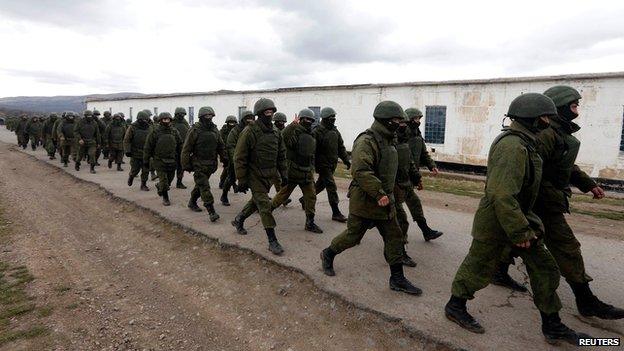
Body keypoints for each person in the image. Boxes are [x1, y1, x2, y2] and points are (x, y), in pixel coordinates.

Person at [444, 93, 592, 345]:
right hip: (497, 223)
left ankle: (553, 325)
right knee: (477, 268)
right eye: (545, 117)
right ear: (532, 118)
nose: (549, 121)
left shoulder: (527, 143)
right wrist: (520, 231)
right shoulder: (513, 146)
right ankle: (455, 306)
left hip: (519, 220)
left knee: (544, 268)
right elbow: (501, 195)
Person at [494, 85, 624, 320]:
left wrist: (588, 184)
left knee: (520, 240)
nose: (577, 108)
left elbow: (564, 166)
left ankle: (498, 270)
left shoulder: (558, 133)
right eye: (573, 104)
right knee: (567, 248)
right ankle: (586, 301)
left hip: (545, 201)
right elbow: (531, 170)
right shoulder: (545, 134)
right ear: (560, 107)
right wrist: (540, 202)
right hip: (542, 203)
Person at [320, 101, 422, 296]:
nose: (400, 124)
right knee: (353, 236)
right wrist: (379, 192)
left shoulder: (390, 139)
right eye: (396, 120)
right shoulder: (367, 141)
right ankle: (328, 253)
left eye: (401, 120)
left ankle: (397, 278)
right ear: (384, 120)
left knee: (394, 236)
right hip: (367, 200)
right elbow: (361, 170)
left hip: (385, 200)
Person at [231, 98, 288, 255]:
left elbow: (281, 155)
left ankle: (239, 219)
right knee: (264, 205)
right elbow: (239, 157)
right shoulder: (249, 131)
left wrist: (284, 174)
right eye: (266, 111)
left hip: (269, 175)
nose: (269, 114)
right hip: (254, 175)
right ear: (258, 113)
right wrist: (241, 180)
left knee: (256, 202)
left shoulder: (276, 133)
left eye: (271, 111)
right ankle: (272, 240)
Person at [270, 108, 323, 233]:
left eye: (310, 119)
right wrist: (293, 125)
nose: (308, 121)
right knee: (283, 195)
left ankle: (310, 223)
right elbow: (284, 137)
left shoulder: (312, 134)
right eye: (306, 119)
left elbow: (311, 153)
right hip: (293, 172)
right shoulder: (294, 132)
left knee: (311, 197)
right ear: (300, 119)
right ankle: (267, 212)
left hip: (306, 173)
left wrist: (312, 168)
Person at [304, 107, 350, 222]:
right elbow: (311, 150)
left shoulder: (335, 131)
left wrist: (346, 160)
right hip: (322, 165)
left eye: (334, 118)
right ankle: (336, 212)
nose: (333, 120)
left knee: (321, 185)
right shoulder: (317, 132)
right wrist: (311, 165)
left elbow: (341, 147)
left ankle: (304, 200)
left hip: (332, 164)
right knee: (331, 187)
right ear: (324, 119)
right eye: (331, 118)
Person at [181, 106, 227, 221]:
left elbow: (220, 145)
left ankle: (192, 202)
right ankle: (211, 210)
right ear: (201, 117)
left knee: (200, 185)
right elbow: (186, 148)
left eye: (210, 116)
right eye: (207, 116)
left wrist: (224, 158)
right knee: (205, 187)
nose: (209, 118)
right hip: (198, 164)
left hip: (211, 164)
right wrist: (185, 164)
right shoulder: (195, 130)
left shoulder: (214, 129)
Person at [403, 108, 443, 241]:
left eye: (420, 119)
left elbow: (423, 153)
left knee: (413, 204)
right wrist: (417, 178)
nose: (418, 121)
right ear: (409, 119)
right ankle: (361, 225)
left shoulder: (417, 134)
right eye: (416, 119)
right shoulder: (402, 135)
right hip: (400, 176)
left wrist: (432, 166)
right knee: (391, 208)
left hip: (411, 175)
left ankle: (426, 231)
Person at [143, 112, 182, 206]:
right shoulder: (155, 132)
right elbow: (148, 147)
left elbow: (180, 144)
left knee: (169, 180)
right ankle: (165, 198)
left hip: (172, 160)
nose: (166, 121)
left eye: (168, 119)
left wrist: (182, 156)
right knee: (164, 181)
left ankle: (159, 186)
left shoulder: (174, 131)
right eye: (164, 119)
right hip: (159, 160)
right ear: (160, 120)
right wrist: (146, 160)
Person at [221, 110, 255, 206]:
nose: (250, 120)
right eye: (247, 118)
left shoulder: (255, 129)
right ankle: (224, 195)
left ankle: (257, 200)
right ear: (243, 119)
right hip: (237, 160)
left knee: (254, 180)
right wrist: (235, 159)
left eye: (251, 118)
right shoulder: (235, 131)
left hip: (250, 160)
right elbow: (230, 145)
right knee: (231, 178)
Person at [124, 110, 151, 191]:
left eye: (147, 120)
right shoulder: (132, 127)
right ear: (139, 119)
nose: (145, 121)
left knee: (146, 170)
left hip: (146, 153)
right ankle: (131, 176)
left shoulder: (149, 128)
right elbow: (127, 140)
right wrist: (127, 150)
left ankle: (143, 184)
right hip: (135, 152)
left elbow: (152, 140)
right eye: (144, 120)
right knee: (135, 169)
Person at [218, 115, 238, 192]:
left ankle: (231, 184)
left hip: (234, 152)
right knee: (227, 168)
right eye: (230, 122)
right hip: (226, 152)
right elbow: (220, 142)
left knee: (232, 169)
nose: (232, 124)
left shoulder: (237, 131)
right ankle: (225, 182)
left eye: (233, 122)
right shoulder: (223, 131)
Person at [172, 107, 190, 189]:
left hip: (182, 147)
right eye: (180, 114)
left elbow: (189, 132)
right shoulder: (171, 123)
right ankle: (166, 182)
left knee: (181, 166)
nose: (182, 115)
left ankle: (179, 182)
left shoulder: (185, 123)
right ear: (176, 114)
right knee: (171, 166)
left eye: (183, 114)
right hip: (173, 148)